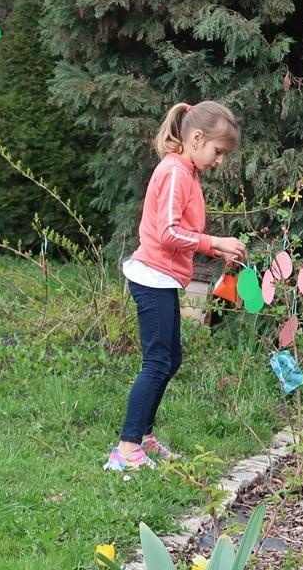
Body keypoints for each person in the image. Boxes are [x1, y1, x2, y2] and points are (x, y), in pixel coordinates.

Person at [106, 101, 248, 472]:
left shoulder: (187, 172)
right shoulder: (174, 172)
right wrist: (215, 242)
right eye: (218, 152)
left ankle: (145, 437)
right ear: (196, 138)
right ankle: (126, 449)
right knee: (156, 362)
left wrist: (217, 253)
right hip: (151, 278)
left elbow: (182, 233)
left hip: (163, 278)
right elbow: (168, 233)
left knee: (171, 359)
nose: (219, 161)